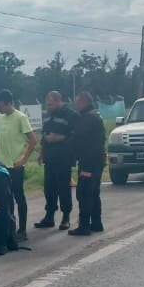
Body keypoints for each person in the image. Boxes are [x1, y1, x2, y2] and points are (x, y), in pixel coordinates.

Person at [0, 89, 37, 240]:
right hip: (0, 165)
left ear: (8, 103)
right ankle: (9, 228)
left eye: (0, 105)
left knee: (19, 196)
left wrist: (24, 159)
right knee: (5, 198)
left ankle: (22, 230)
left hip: (15, 165)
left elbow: (33, 140)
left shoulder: (20, 118)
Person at [35, 90, 76, 230]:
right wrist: (41, 153)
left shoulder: (70, 115)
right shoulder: (46, 116)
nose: (48, 106)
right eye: (47, 104)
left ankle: (66, 218)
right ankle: (49, 216)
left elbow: (76, 136)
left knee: (63, 188)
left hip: (63, 158)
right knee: (49, 188)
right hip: (49, 157)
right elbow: (44, 135)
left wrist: (60, 138)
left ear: (59, 101)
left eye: (51, 104)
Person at [69, 91, 105, 236]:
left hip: (88, 162)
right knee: (94, 192)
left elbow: (78, 139)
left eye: (77, 102)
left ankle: (84, 225)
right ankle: (96, 223)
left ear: (84, 102)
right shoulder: (96, 116)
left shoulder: (87, 119)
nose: (76, 105)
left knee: (84, 193)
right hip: (97, 161)